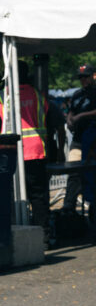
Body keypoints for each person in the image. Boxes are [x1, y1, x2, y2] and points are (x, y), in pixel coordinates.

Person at [0, 62, 50, 240]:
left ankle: (11, 235)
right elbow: (49, 121)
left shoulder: (0, 97)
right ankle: (43, 236)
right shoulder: (38, 95)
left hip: (8, 153)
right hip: (36, 151)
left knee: (9, 196)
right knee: (38, 196)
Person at [62, 63, 96, 212]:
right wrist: (70, 119)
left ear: (93, 76)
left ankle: (93, 208)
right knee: (74, 171)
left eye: (86, 77)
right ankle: (69, 206)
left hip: (94, 141)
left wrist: (81, 116)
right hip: (78, 140)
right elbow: (71, 111)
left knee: (92, 174)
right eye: (81, 78)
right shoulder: (77, 94)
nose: (83, 80)